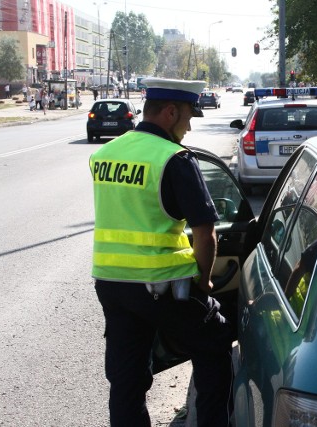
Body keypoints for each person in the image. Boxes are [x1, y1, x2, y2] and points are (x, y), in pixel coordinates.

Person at [89, 77, 233, 427]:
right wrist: (204, 282)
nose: (188, 126)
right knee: (214, 346)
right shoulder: (174, 158)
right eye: (188, 117)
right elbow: (205, 233)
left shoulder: (105, 153)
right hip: (164, 286)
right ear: (170, 112)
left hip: (111, 283)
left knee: (127, 379)